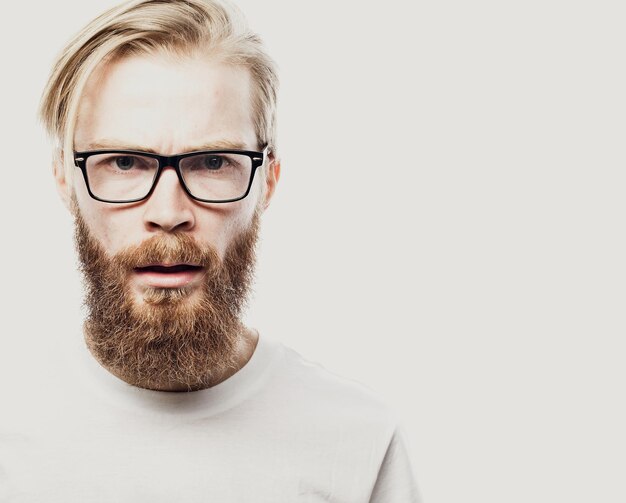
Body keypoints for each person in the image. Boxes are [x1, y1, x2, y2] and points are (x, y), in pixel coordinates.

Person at [1, 0, 421, 501]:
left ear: (267, 181)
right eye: (125, 161)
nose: (168, 210)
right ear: (64, 181)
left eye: (213, 162)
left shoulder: (360, 443)